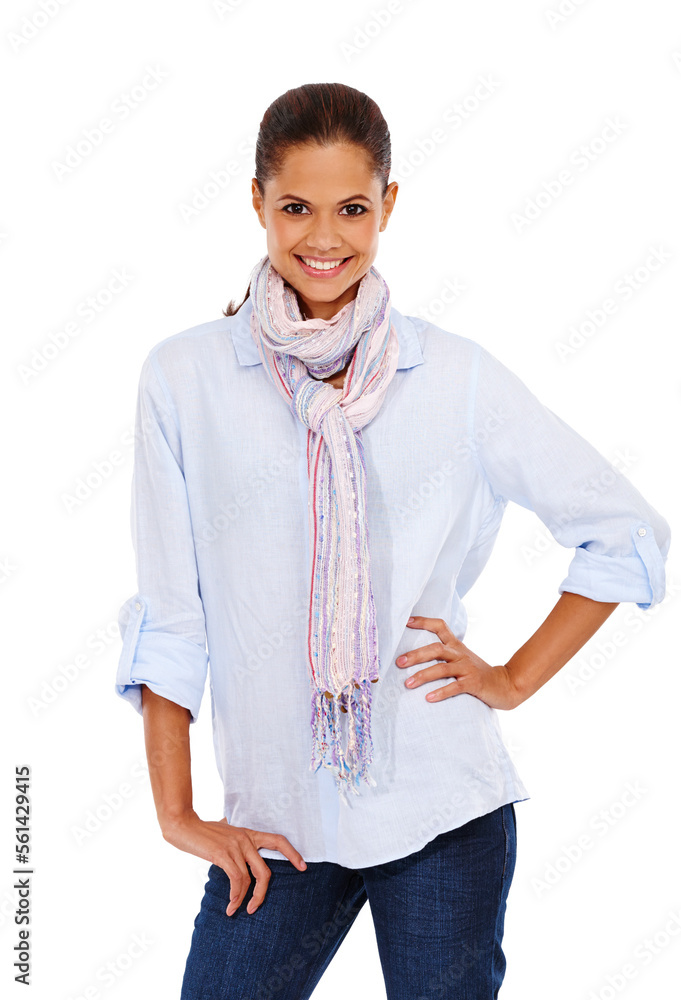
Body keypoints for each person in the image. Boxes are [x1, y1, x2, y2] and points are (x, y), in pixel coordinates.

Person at [114, 82, 671, 1000]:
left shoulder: (451, 377)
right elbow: (174, 617)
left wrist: (510, 679)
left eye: (351, 209)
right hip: (277, 824)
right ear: (256, 201)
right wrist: (178, 814)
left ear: (388, 207)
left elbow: (622, 532)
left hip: (440, 807)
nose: (322, 238)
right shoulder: (186, 380)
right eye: (295, 207)